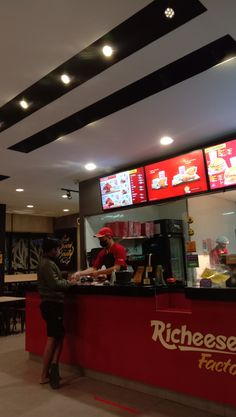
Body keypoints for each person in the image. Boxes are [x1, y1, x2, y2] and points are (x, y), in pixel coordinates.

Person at [37, 238, 78, 389]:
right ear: (50, 249)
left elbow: (54, 279)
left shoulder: (47, 262)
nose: (58, 251)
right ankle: (44, 374)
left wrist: (64, 277)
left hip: (51, 305)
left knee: (58, 336)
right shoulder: (47, 264)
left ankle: (53, 369)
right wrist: (71, 283)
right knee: (53, 338)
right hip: (52, 304)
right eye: (56, 248)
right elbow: (55, 284)